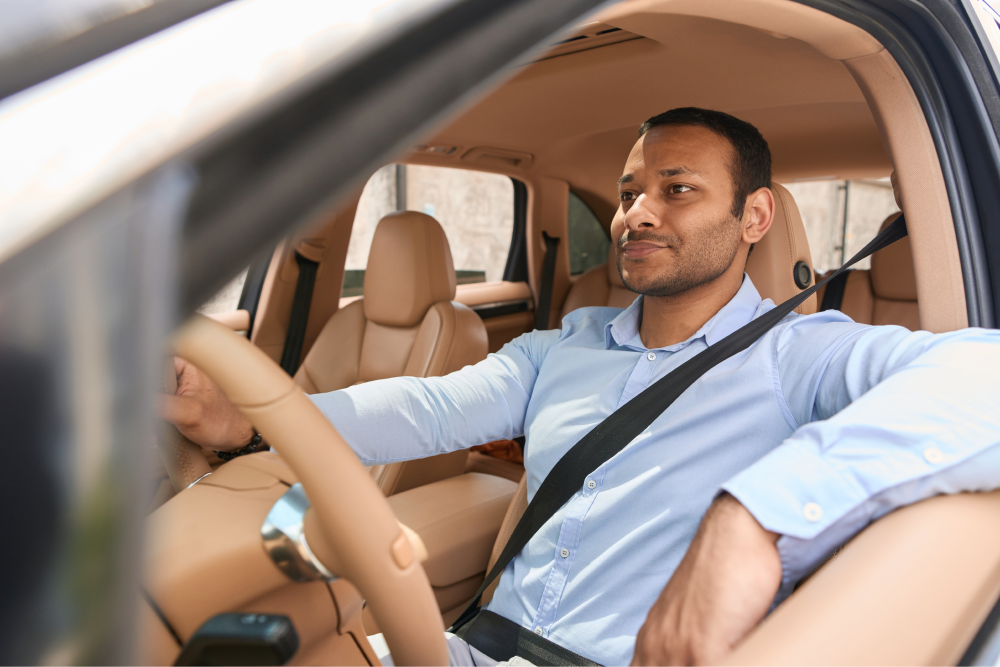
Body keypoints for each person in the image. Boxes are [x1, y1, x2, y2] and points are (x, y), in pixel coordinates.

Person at [162, 108, 1000, 667]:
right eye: (632, 191)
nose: (637, 212)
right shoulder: (567, 344)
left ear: (754, 219)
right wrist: (254, 414)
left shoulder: (803, 357)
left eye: (678, 189)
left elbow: (985, 374)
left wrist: (753, 515)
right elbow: (427, 407)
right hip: (469, 647)